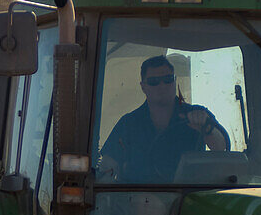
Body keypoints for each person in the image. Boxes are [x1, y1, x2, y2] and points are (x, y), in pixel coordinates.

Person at [98, 55, 230, 183]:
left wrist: (206, 128)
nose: (162, 86)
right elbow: (108, 163)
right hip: (137, 198)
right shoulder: (128, 124)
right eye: (154, 82)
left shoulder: (198, 115)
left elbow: (221, 149)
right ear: (143, 86)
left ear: (175, 81)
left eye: (168, 79)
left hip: (190, 196)